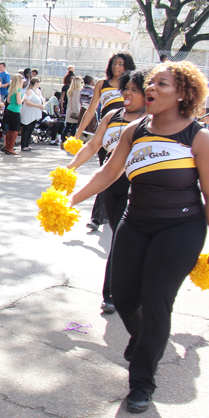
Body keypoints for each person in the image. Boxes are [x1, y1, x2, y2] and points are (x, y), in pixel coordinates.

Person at [70, 61, 209, 414]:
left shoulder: (199, 139)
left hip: (181, 229)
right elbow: (109, 171)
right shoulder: (135, 131)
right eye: (150, 83)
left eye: (162, 84)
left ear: (184, 94)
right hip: (136, 221)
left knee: (157, 300)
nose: (151, 89)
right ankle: (146, 342)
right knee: (125, 298)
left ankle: (142, 380)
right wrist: (71, 200)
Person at [67, 70, 146, 314]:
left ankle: (112, 294)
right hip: (111, 186)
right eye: (126, 89)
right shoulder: (112, 115)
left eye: (134, 90)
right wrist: (69, 169)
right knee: (119, 241)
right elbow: (93, 145)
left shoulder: (150, 119)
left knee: (123, 240)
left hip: (136, 187)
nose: (128, 94)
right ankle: (120, 291)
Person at [77, 53, 136, 231]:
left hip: (128, 133)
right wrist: (78, 133)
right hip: (107, 134)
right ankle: (98, 216)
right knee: (105, 171)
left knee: (124, 175)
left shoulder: (132, 84)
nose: (117, 67)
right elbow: (91, 109)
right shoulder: (102, 84)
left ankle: (112, 214)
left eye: (121, 64)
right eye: (114, 63)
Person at [20, 77, 45, 152]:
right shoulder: (29, 91)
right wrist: (38, 106)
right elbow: (27, 101)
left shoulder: (38, 91)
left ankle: (27, 144)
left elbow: (42, 99)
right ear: (36, 83)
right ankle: (24, 145)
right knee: (27, 128)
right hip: (28, 113)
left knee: (31, 129)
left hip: (35, 113)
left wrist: (42, 104)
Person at [3, 74, 23, 155]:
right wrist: (24, 98)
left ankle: (7, 146)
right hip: (15, 111)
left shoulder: (11, 89)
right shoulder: (18, 90)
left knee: (10, 129)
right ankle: (10, 147)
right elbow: (19, 102)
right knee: (15, 130)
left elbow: (8, 101)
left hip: (9, 110)